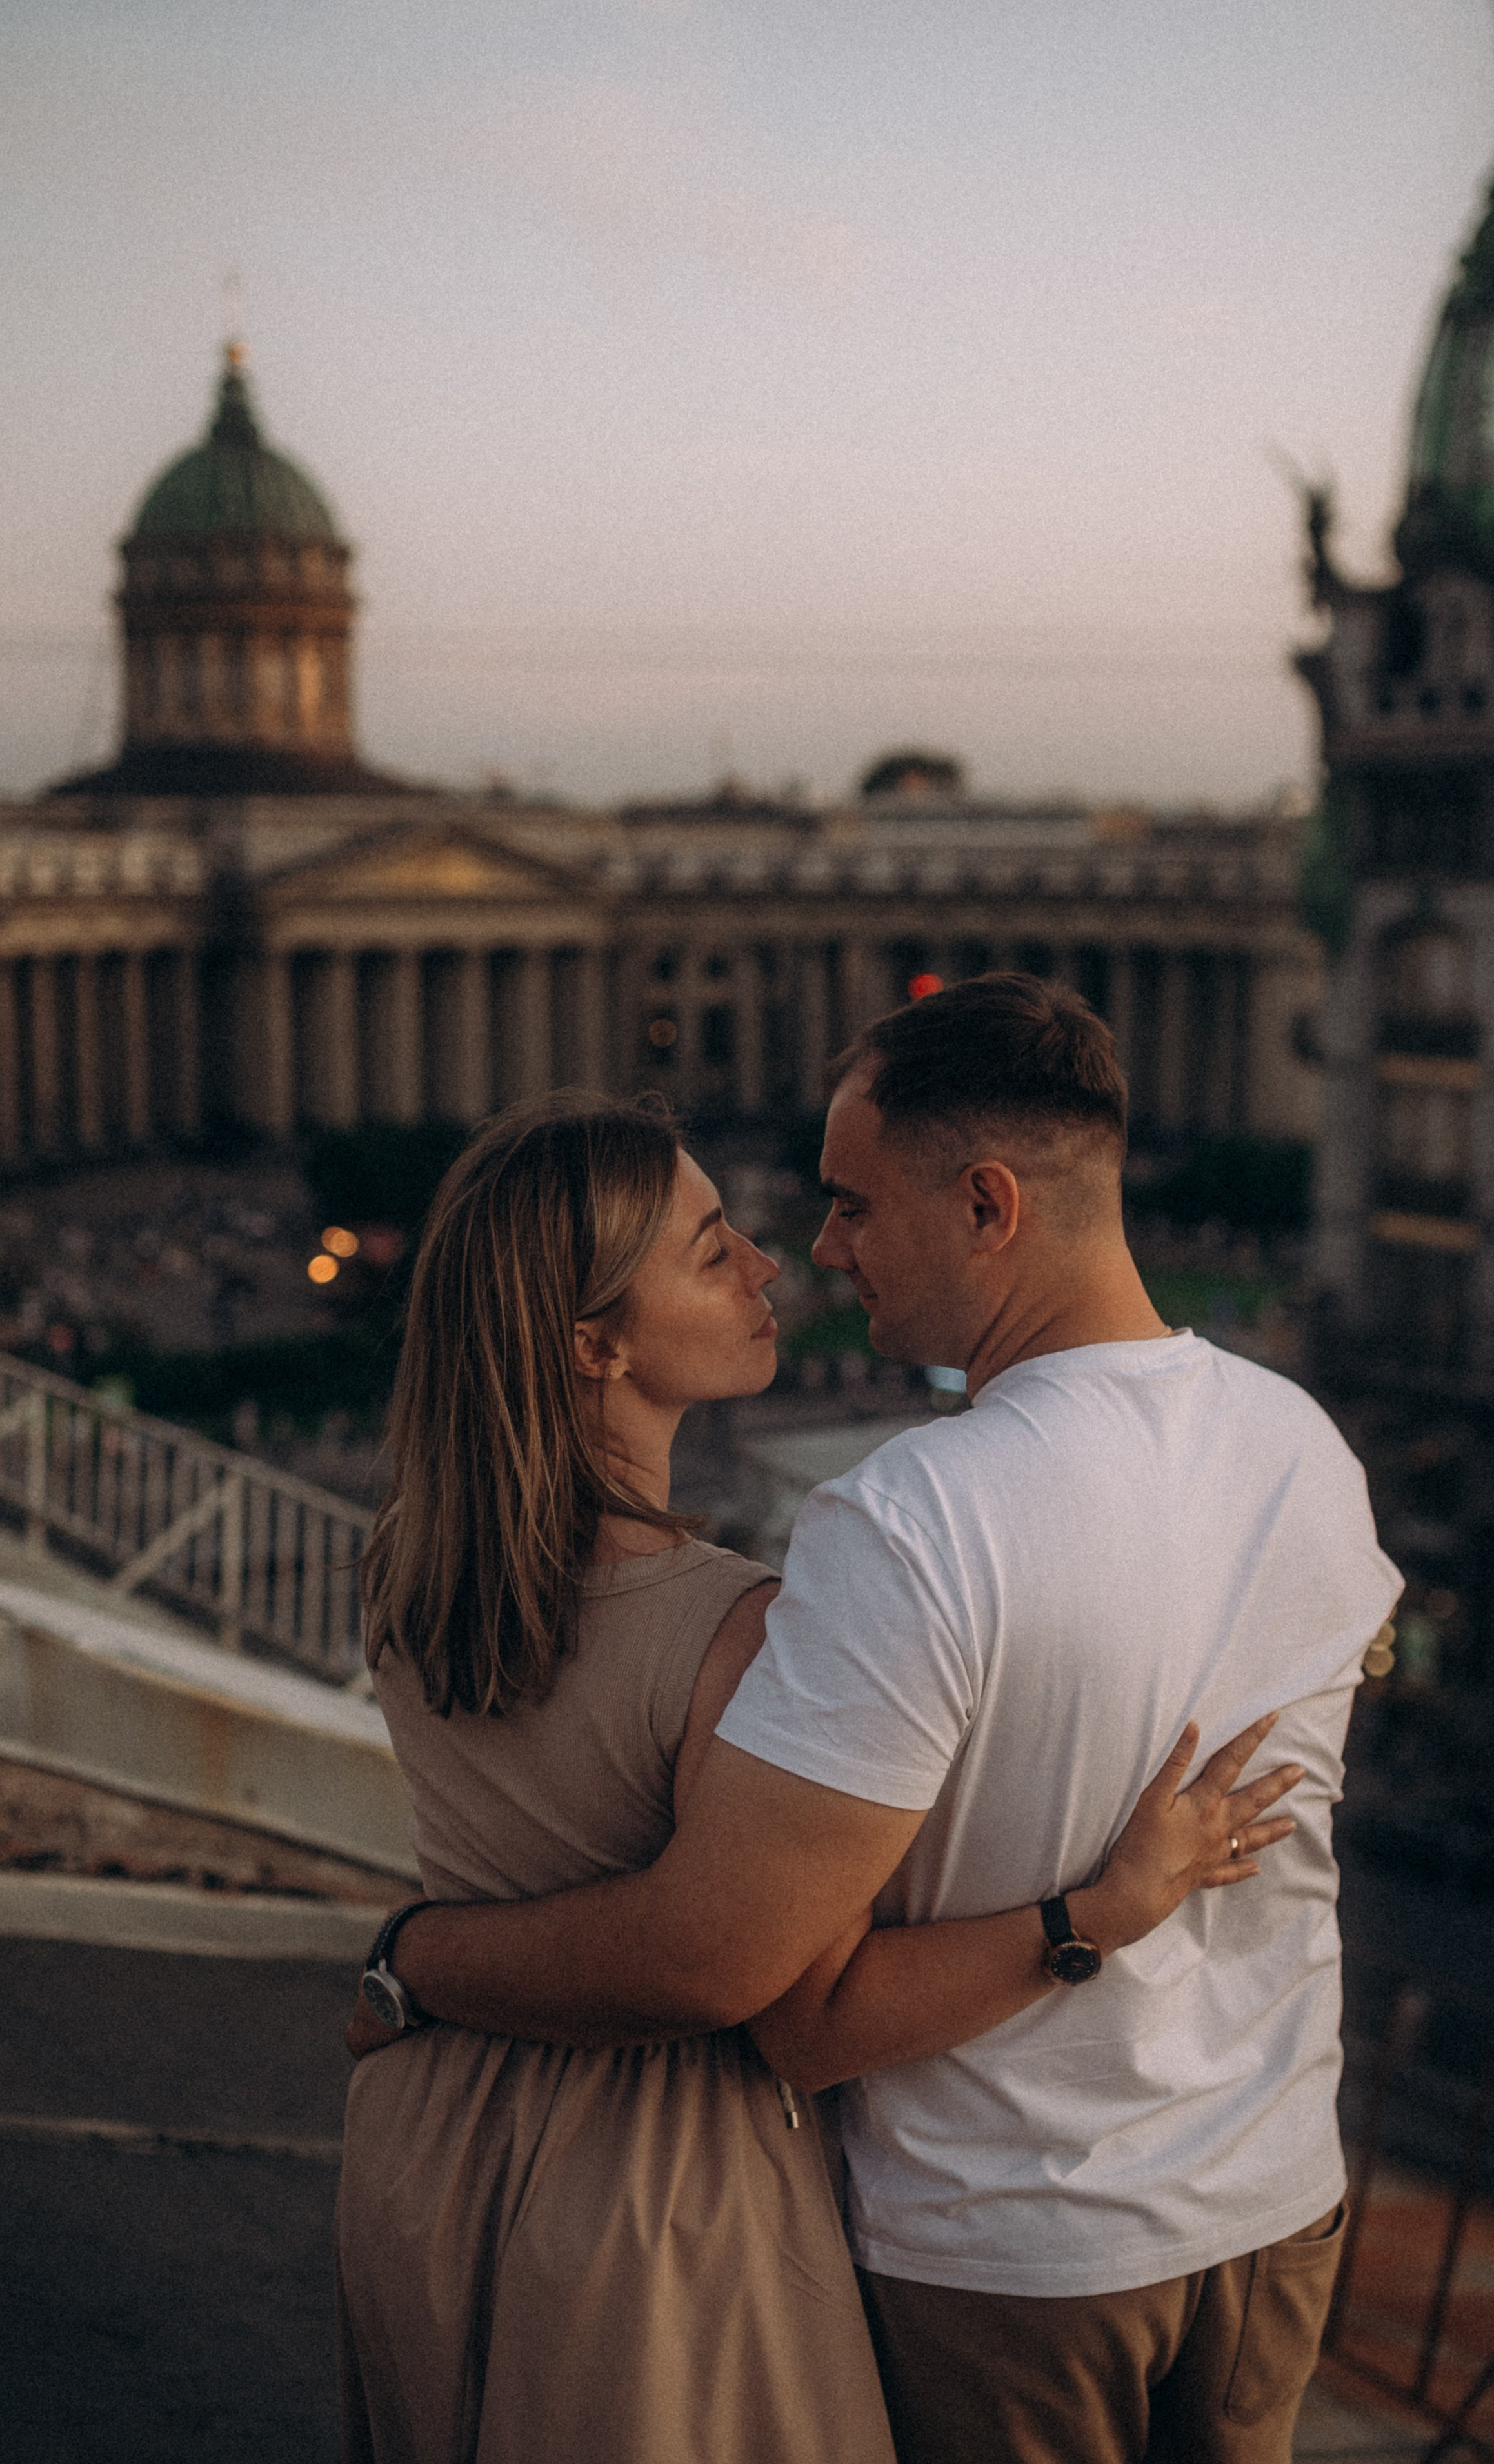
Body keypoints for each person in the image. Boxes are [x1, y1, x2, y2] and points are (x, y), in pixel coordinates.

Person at [350, 977, 1402, 2463]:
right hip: (1268, 2205)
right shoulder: (1304, 1445)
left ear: (985, 1204)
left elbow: (768, 1992)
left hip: (1009, 2249)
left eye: (847, 1204)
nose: (815, 1249)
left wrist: (410, 1956)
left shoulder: (906, 1519)